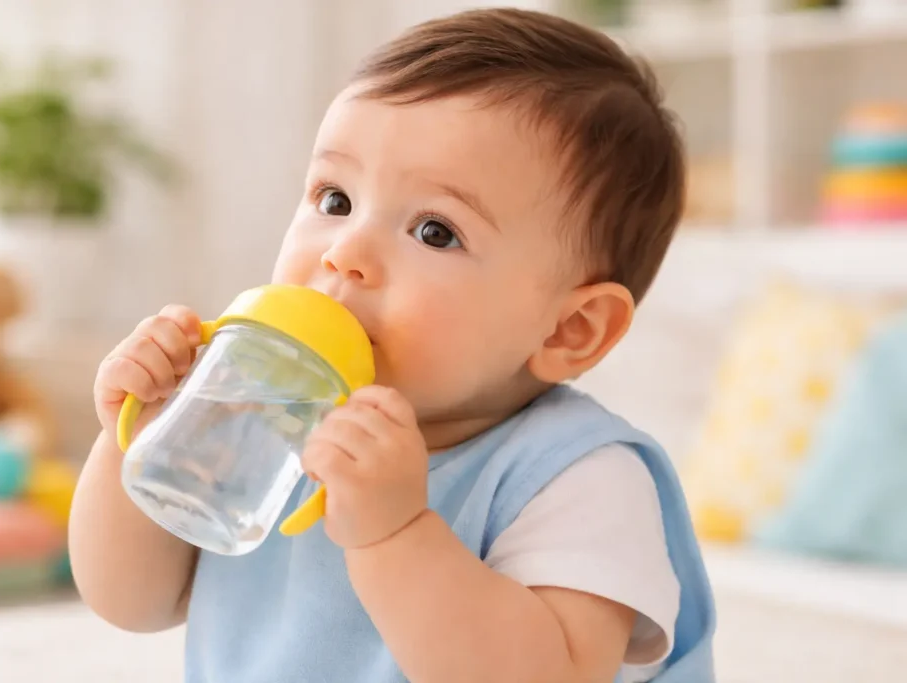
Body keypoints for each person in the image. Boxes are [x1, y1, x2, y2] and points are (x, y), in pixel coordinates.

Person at [69, 8, 715, 682]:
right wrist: (137, 435)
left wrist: (396, 534)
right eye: (335, 198)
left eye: (435, 231)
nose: (345, 252)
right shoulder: (268, 408)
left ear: (568, 329)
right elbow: (134, 599)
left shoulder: (576, 476)